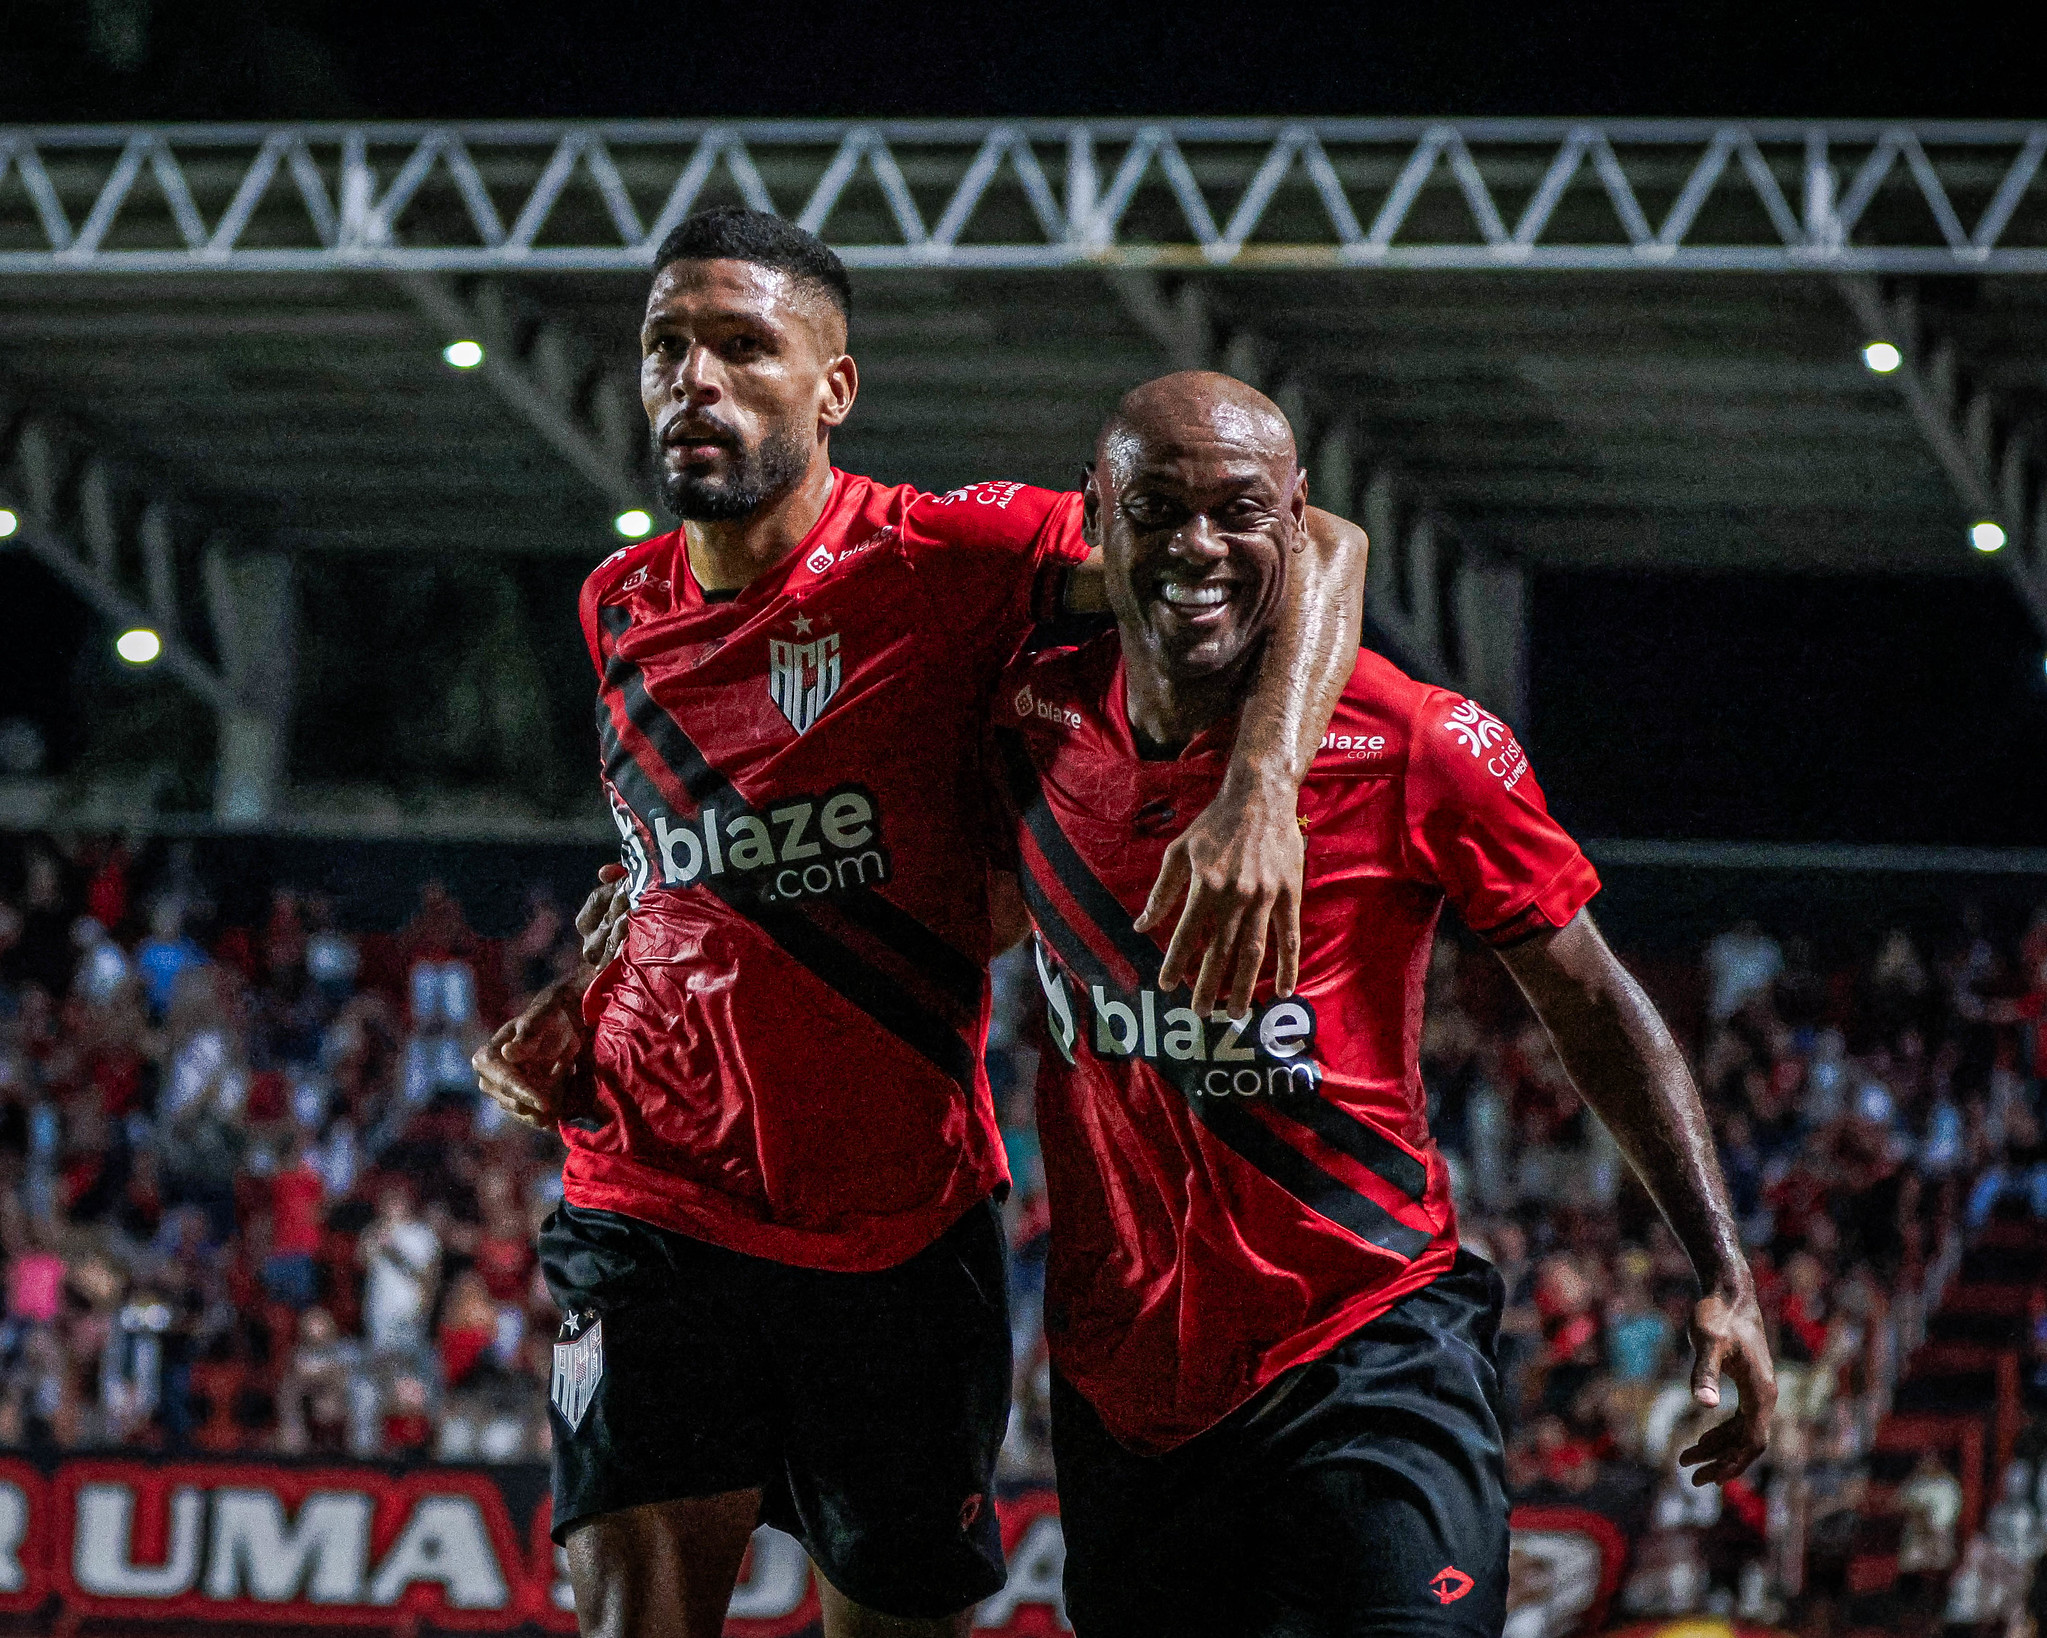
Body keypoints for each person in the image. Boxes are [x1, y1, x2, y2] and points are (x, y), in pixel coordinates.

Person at [472, 208, 1369, 1638]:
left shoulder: (947, 558)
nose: (691, 379)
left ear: (831, 387)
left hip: (891, 1227)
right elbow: (681, 858)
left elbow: (1315, 541)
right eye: (665, 346)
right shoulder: (613, 608)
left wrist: (1257, 790)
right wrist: (589, 979)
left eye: (740, 346)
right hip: (645, 1202)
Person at [987, 372, 1774, 1636]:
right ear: (1095, 518)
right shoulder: (1026, 716)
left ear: (1296, 522)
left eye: (1240, 511)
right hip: (1123, 1382)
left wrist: (1723, 1273)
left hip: (1366, 1347)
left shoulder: (1417, 743)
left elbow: (1591, 1003)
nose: (1198, 545)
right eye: (1159, 508)